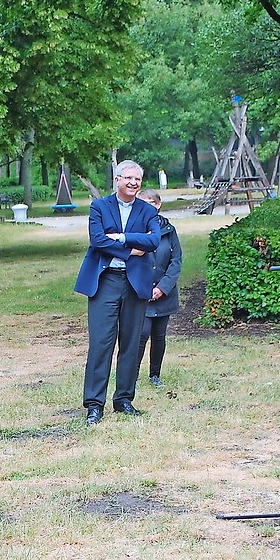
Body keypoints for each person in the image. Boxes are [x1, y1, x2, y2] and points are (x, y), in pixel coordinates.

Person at [74, 160, 161, 425]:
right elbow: (98, 240)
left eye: (138, 179)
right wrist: (132, 246)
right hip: (106, 281)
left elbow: (154, 240)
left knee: (131, 343)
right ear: (117, 179)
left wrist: (121, 238)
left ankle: (124, 399)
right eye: (129, 178)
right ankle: (94, 404)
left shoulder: (147, 210)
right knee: (101, 343)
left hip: (135, 283)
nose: (134, 183)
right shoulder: (99, 207)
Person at [135, 189, 183, 388]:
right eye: (142, 203)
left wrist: (163, 288)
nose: (148, 207)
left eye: (151, 203)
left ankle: (155, 375)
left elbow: (176, 261)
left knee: (159, 335)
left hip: (165, 293)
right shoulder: (134, 228)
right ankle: (132, 375)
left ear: (158, 204)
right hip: (141, 293)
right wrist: (144, 288)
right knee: (141, 334)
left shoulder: (169, 230)